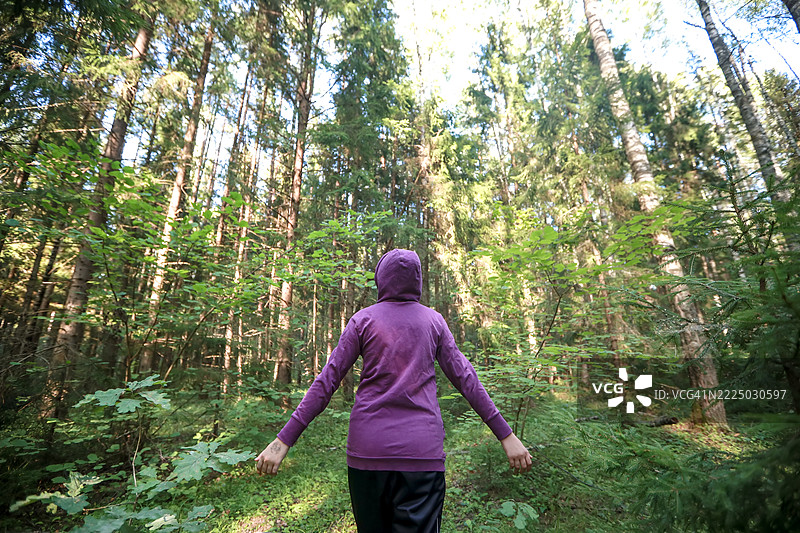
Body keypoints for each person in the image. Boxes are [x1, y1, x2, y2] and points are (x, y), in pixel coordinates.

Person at [255, 249, 531, 532]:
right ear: (418, 281)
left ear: (381, 279)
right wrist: (506, 435)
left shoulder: (362, 320)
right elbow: (466, 379)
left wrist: (282, 442)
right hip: (421, 458)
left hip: (367, 455)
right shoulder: (434, 322)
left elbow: (327, 382)